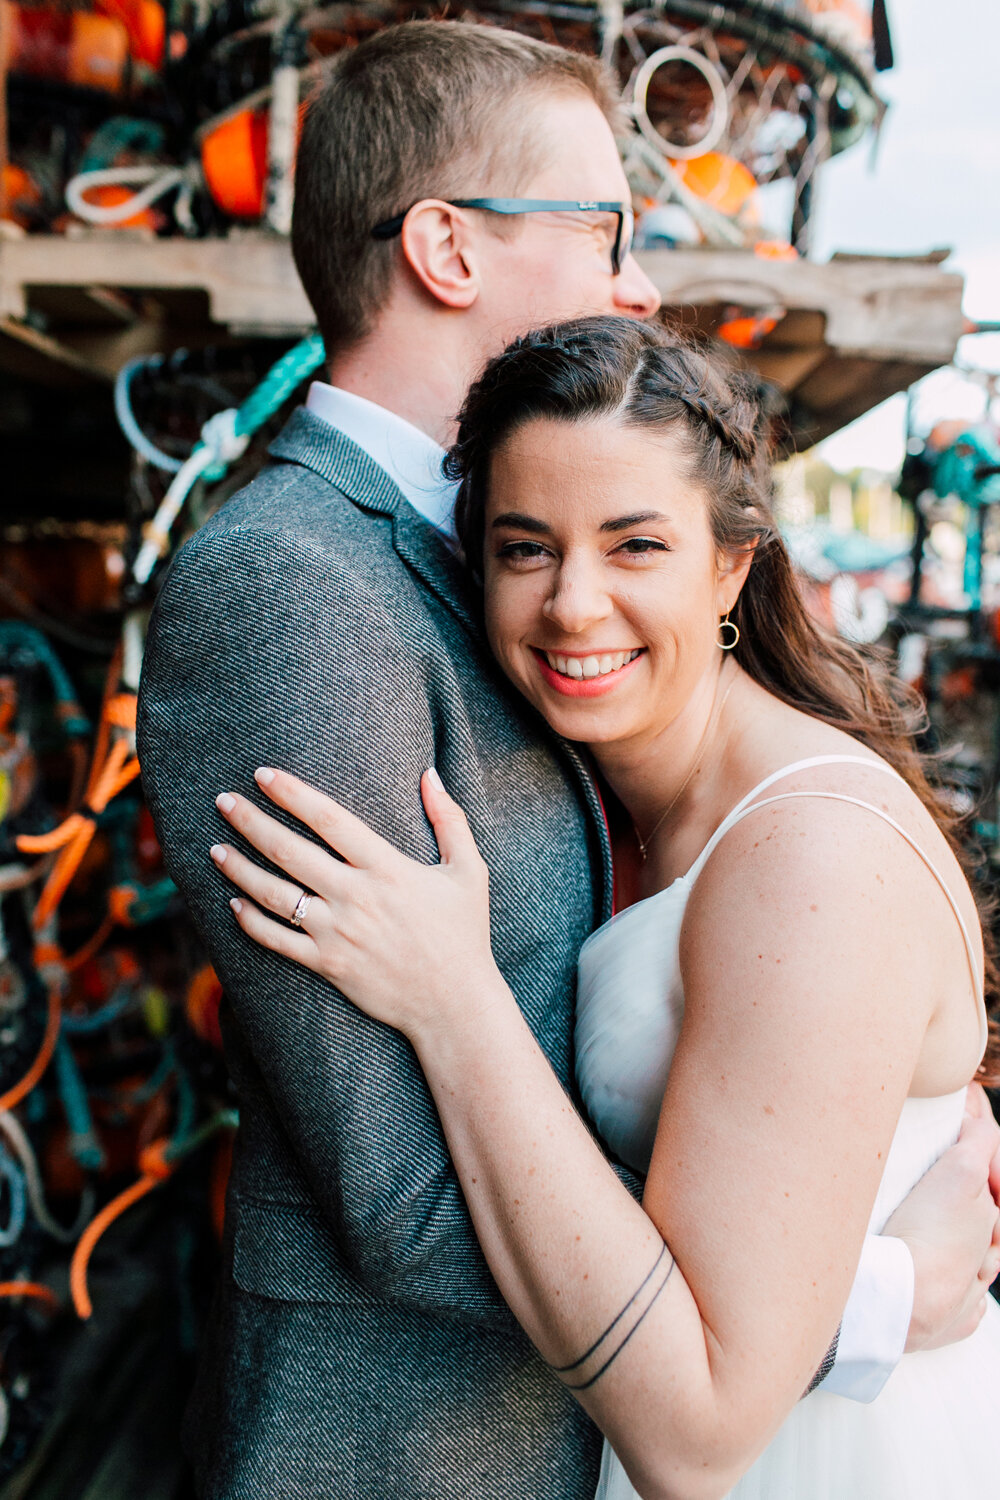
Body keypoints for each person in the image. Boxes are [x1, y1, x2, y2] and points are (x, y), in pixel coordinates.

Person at [136, 23, 1000, 1500]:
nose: (641, 279)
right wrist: (842, 1299)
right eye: (608, 226)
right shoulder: (291, 588)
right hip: (409, 1454)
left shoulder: (463, 571)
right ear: (447, 251)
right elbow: (398, 1191)